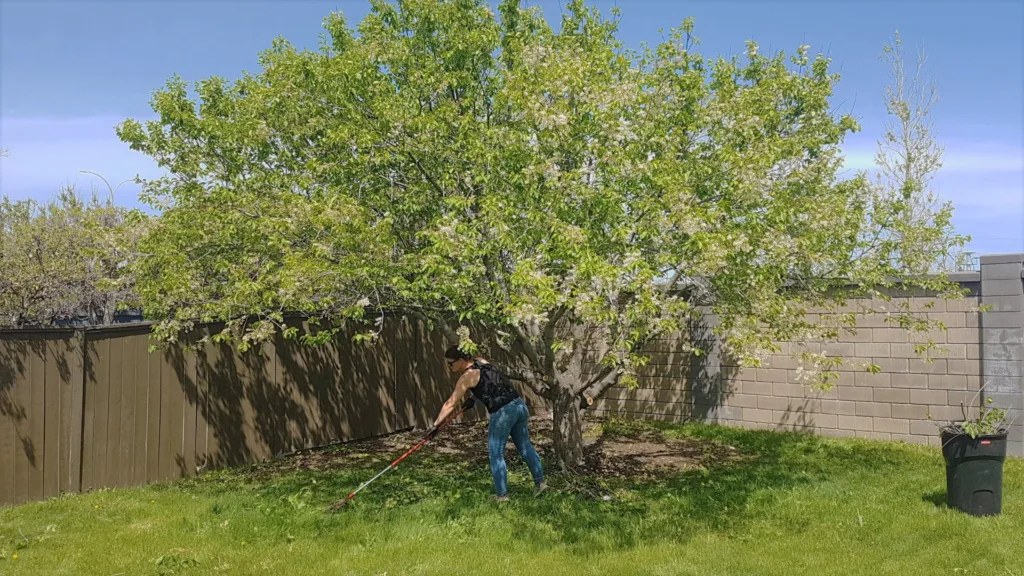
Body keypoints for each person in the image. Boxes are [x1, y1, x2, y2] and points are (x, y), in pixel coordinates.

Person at [427, 345, 548, 501]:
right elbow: (491, 383)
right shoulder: (482, 361)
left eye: (451, 363)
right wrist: (473, 398)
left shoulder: (466, 377)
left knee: (496, 453)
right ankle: (541, 484)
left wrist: (435, 425)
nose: (449, 367)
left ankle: (502, 496)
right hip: (518, 405)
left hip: (503, 412)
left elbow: (450, 403)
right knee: (525, 446)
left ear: (462, 360)